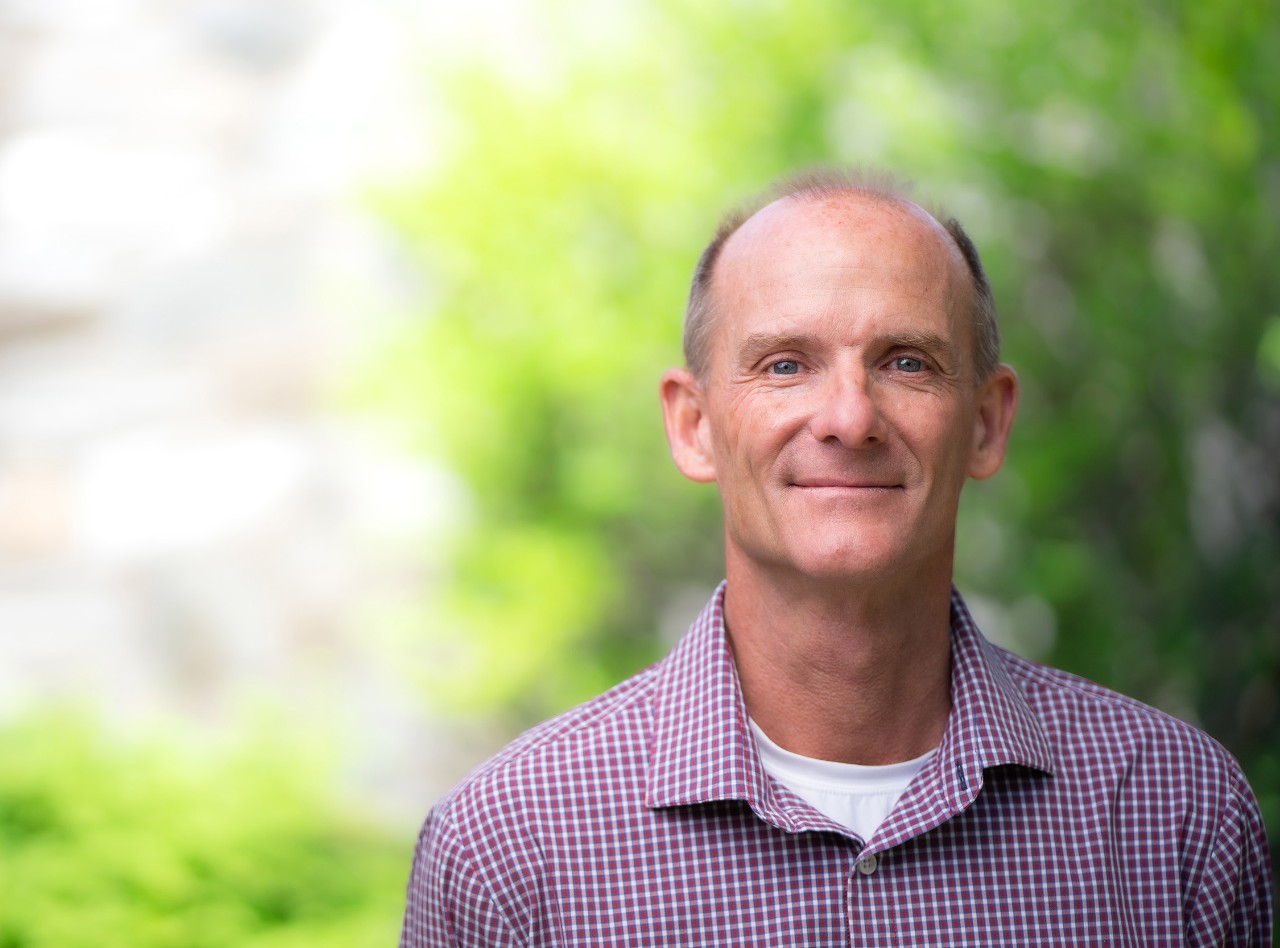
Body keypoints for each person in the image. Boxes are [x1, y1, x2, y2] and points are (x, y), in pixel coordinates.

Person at [399, 170, 1274, 945]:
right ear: (693, 425)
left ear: (987, 420)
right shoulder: (510, 849)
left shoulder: (1173, 813)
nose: (849, 419)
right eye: (785, 365)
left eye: (905, 362)